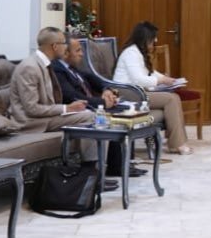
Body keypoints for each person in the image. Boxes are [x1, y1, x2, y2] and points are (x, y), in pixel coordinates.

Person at [9, 27, 109, 187]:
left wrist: (69, 108)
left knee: (93, 115)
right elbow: (32, 109)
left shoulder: (44, 64)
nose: (66, 47)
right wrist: (66, 109)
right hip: (31, 122)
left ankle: (94, 173)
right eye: (63, 43)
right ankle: (90, 175)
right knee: (92, 117)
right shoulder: (30, 67)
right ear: (55, 46)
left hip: (46, 116)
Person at [52, 35, 147, 177]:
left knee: (126, 111)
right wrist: (103, 103)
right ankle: (112, 168)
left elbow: (94, 79)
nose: (82, 54)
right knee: (112, 116)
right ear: (66, 52)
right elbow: (72, 96)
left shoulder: (72, 68)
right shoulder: (58, 70)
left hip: (91, 105)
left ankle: (123, 164)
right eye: (78, 51)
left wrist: (106, 90)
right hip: (79, 109)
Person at [113, 21, 192, 155]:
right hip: (128, 94)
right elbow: (138, 79)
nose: (155, 41)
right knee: (171, 99)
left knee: (171, 102)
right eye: (153, 38)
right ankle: (177, 144)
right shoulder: (131, 53)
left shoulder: (137, 52)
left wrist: (168, 79)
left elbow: (150, 73)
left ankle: (177, 142)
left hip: (138, 92)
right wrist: (161, 80)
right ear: (144, 38)